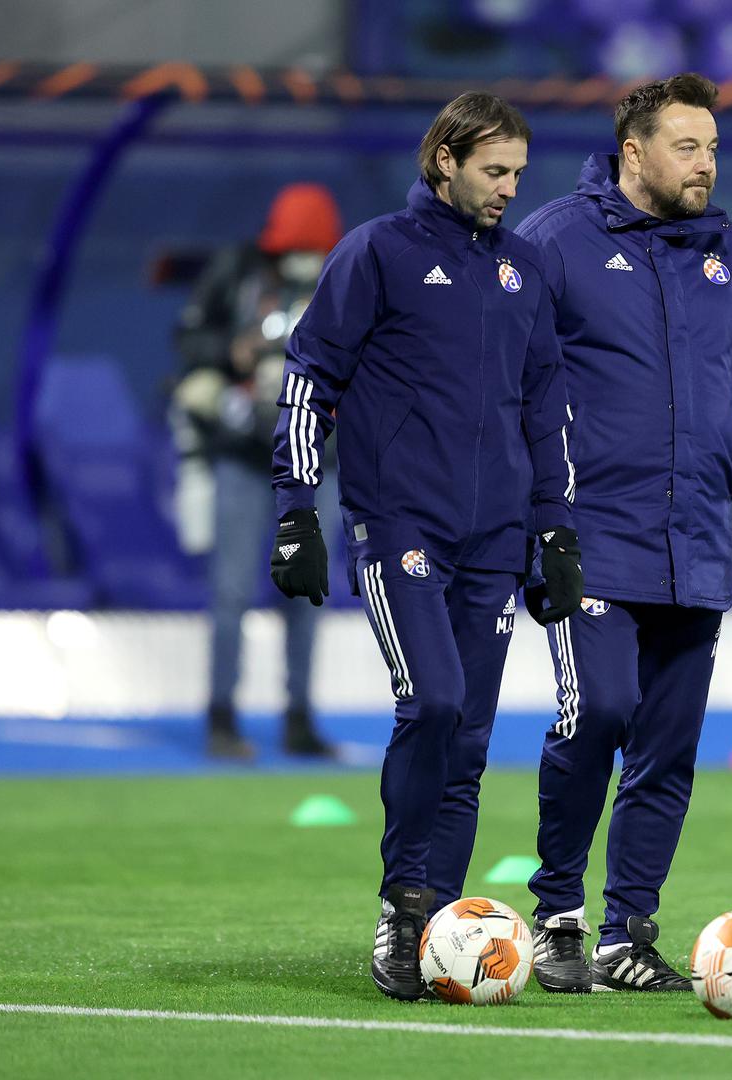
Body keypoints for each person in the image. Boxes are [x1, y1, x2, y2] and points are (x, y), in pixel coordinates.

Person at [515, 73, 732, 993]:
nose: (704, 165)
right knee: (601, 715)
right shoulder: (554, 243)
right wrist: (525, 515)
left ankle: (627, 932)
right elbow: (505, 379)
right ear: (634, 152)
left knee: (667, 748)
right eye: (686, 148)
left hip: (694, 543)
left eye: (712, 148)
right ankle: (557, 916)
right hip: (587, 535)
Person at [267, 92, 583, 1001]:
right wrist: (296, 510)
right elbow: (308, 375)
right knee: (433, 702)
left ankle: (439, 920)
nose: (509, 190)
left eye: (519, 173)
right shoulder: (376, 252)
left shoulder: (525, 270)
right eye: (494, 171)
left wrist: (554, 526)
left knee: (472, 738)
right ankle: (402, 904)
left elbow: (546, 408)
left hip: (495, 539)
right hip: (399, 524)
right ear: (443, 160)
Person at [172, 183, 344, 760]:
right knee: (230, 592)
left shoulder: (349, 277)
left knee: (307, 593)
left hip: (319, 459)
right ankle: (221, 716)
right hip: (246, 456)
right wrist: (232, 350)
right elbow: (190, 337)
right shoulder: (238, 269)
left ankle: (299, 718)